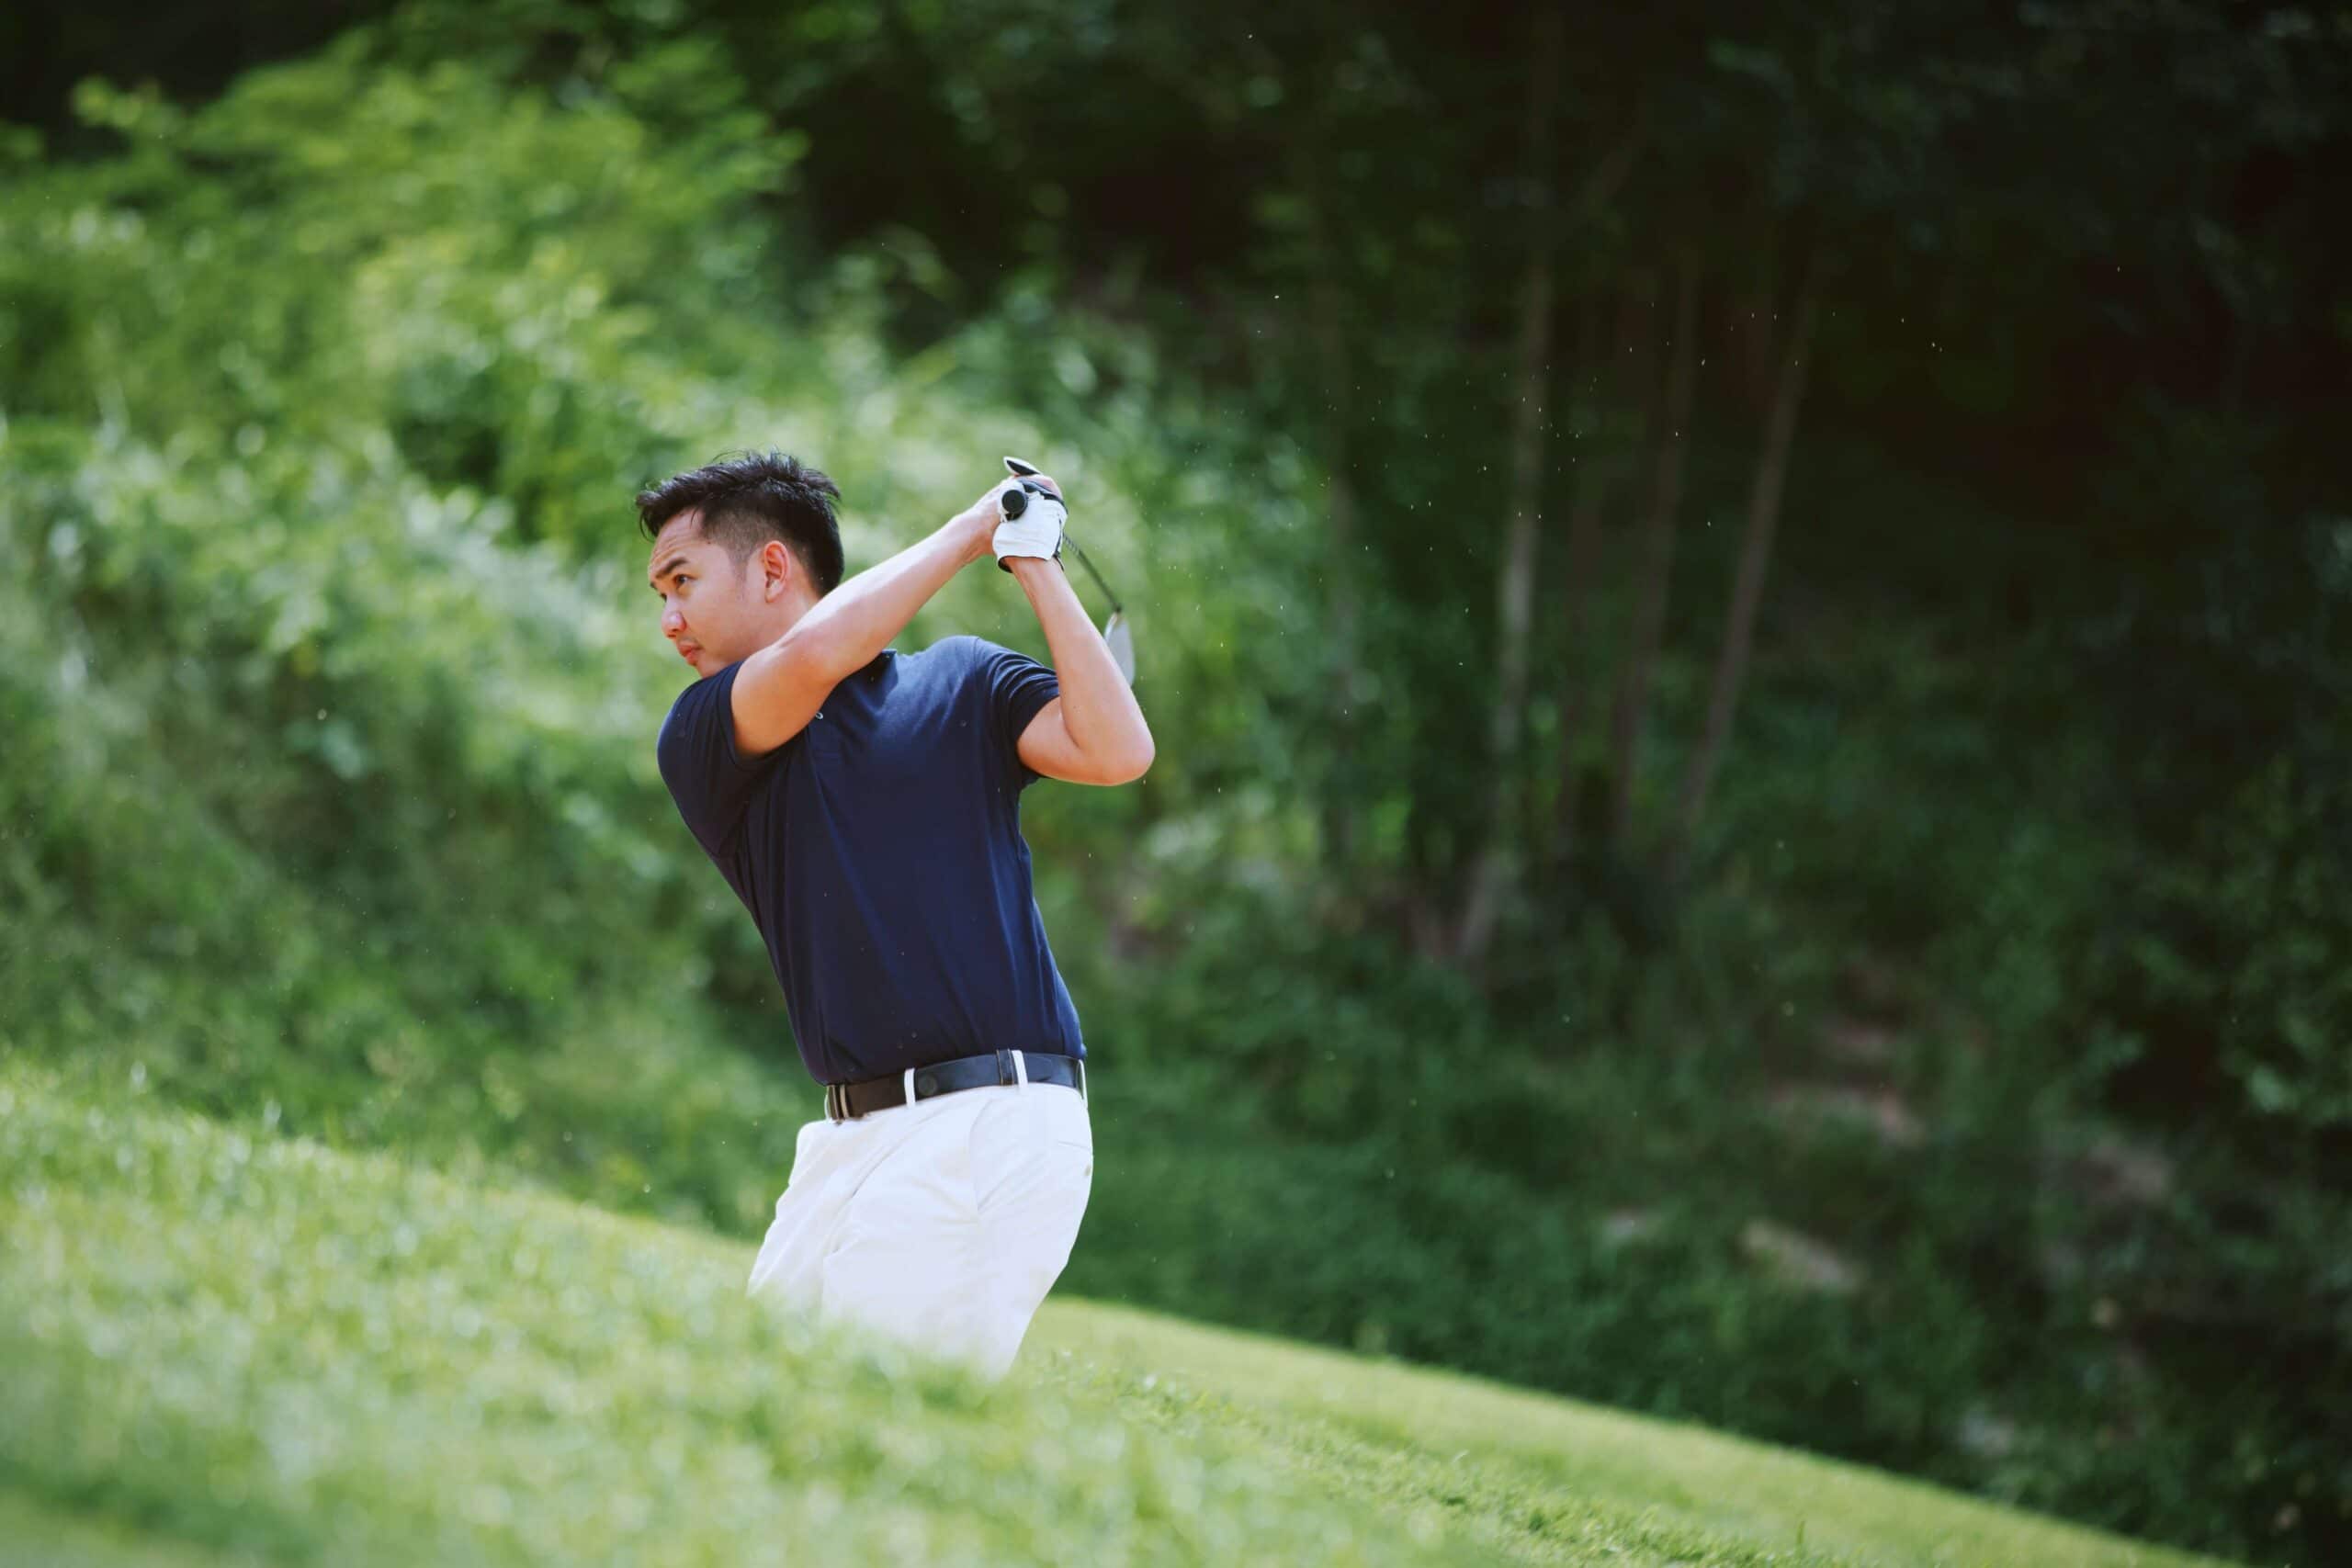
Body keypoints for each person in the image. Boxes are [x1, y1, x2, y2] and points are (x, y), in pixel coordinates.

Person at [639, 450, 1153, 1381]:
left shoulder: (962, 680)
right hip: (847, 1142)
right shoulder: (707, 732)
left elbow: (1116, 749)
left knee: (860, 1423)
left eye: (682, 582)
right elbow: (810, 657)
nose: (668, 619)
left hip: (992, 1123)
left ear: (770, 569)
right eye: (659, 595)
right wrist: (971, 530)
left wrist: (1030, 557)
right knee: (756, 1411)